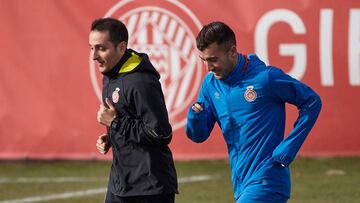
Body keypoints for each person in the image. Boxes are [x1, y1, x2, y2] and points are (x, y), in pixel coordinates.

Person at [186, 21, 322, 203]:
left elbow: (312, 102)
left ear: (232, 52)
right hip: (241, 184)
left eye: (213, 59)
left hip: (268, 180)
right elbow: (199, 136)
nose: (208, 68)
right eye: (204, 60)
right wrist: (195, 117)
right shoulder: (210, 85)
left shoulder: (266, 78)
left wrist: (289, 146)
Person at [89, 18, 178, 203]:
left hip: (149, 188)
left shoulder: (141, 82)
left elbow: (160, 133)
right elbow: (131, 120)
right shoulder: (110, 75)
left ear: (121, 48)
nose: (94, 56)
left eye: (101, 48)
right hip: (121, 184)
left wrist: (115, 123)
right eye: (92, 48)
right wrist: (112, 136)